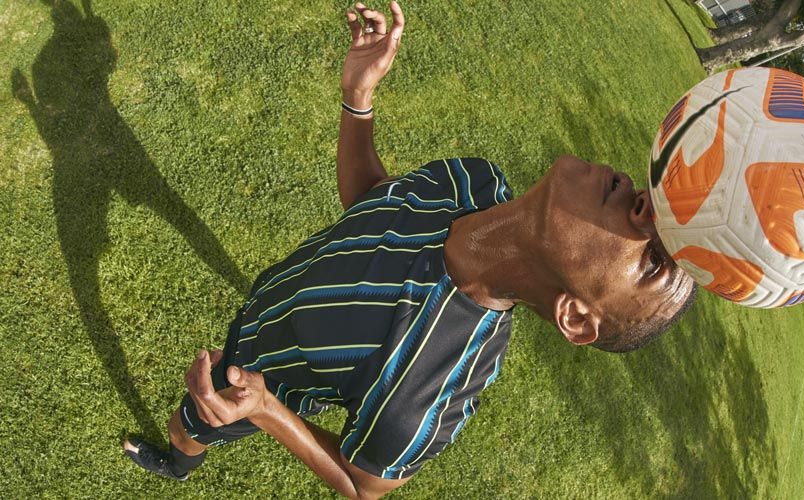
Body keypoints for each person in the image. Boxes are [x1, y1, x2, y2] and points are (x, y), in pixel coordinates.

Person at [122, 2, 696, 497]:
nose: (648, 206)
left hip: (259, 372)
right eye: (660, 210)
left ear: (574, 313)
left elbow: (361, 484)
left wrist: (266, 410)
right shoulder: (474, 183)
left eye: (651, 260)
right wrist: (358, 99)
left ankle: (178, 464)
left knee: (187, 424)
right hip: (267, 301)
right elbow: (374, 200)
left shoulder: (429, 385)